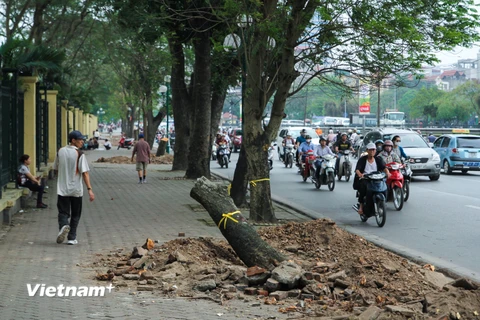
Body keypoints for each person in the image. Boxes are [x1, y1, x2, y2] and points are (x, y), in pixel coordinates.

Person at [54, 130, 95, 245]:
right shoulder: (79, 154)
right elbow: (85, 173)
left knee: (63, 212)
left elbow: (56, 168)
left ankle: (63, 226)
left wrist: (62, 179)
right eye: (80, 140)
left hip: (62, 189)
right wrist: (90, 189)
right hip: (76, 190)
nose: (82, 142)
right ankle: (72, 237)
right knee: (76, 214)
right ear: (73, 140)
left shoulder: (60, 151)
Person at [354, 143, 390, 215]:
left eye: (373, 150)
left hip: (377, 178)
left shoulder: (378, 159)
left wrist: (387, 173)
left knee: (386, 187)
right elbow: (357, 169)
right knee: (363, 189)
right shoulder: (362, 159)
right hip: (366, 178)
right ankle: (361, 206)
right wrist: (360, 175)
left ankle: (383, 202)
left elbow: (384, 167)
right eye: (370, 150)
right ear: (367, 150)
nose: (372, 151)